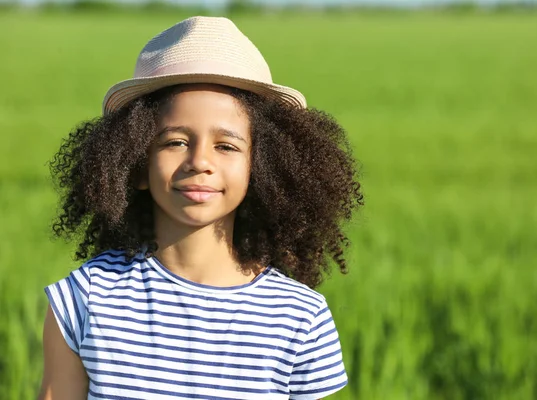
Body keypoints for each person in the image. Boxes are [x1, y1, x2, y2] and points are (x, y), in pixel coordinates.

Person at [38, 15, 363, 400]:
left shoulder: (300, 317)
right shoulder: (85, 298)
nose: (200, 161)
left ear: (261, 170)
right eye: (175, 142)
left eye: (226, 146)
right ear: (137, 163)